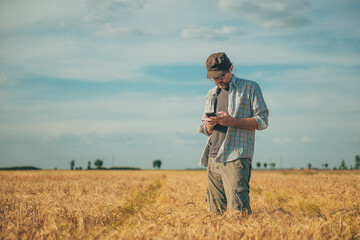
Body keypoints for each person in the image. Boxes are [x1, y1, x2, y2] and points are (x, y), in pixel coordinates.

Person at [198, 52, 269, 215]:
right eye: (213, 77)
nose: (217, 80)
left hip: (236, 157)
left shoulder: (250, 88)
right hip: (213, 157)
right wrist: (209, 125)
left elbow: (262, 120)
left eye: (220, 75)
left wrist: (232, 121)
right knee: (215, 214)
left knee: (238, 213)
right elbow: (204, 128)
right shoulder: (211, 93)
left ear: (230, 68)